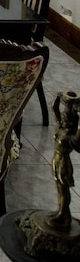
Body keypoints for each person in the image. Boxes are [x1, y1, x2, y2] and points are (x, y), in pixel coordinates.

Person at [50, 91, 80, 231]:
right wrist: (59, 96)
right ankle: (60, 212)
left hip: (63, 163)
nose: (62, 118)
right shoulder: (61, 128)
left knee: (63, 189)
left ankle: (64, 214)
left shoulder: (72, 137)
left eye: (65, 117)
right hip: (56, 160)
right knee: (59, 188)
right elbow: (54, 108)